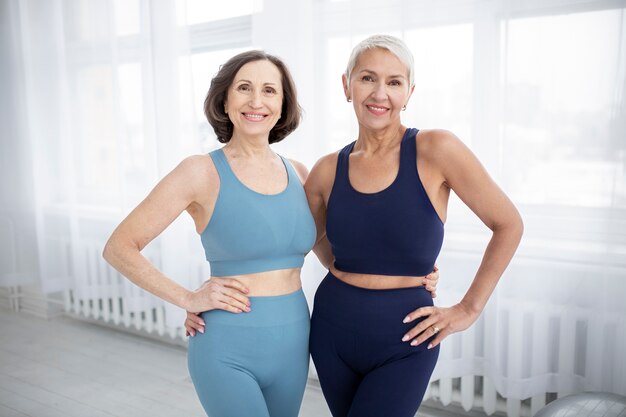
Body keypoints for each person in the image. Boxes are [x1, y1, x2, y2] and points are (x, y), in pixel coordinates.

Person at [304, 34, 524, 417]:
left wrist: (469, 309)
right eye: (367, 78)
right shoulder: (326, 170)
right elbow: (307, 238)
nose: (379, 93)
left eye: (394, 82)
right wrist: (337, 266)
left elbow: (508, 224)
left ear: (409, 92)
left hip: (406, 337)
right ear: (347, 85)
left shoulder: (436, 150)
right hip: (331, 329)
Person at [103, 50, 316, 417]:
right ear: (226, 99)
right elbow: (119, 247)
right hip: (227, 349)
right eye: (244, 88)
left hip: (295, 344)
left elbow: (334, 249)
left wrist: (412, 272)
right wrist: (187, 298)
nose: (255, 101)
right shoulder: (200, 171)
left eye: (269, 91)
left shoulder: (299, 173)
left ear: (283, 106)